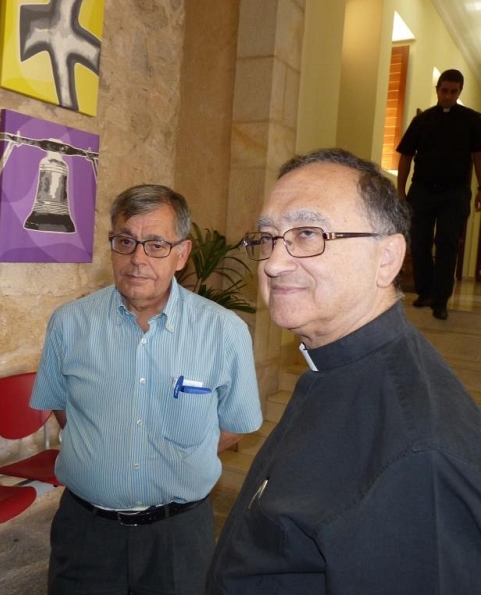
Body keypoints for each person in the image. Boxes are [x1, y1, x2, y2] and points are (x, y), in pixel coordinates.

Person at [206, 148, 481, 594]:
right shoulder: (332, 362)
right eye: (268, 237)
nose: (273, 263)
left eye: (308, 234)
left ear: (387, 258)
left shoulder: (418, 456)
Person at [31, 184, 263, 595]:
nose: (137, 259)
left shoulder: (224, 331)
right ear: (112, 247)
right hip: (86, 532)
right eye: (125, 242)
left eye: (156, 244)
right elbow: (63, 409)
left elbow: (234, 426)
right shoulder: (69, 323)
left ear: (182, 254)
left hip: (178, 537)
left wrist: (176, 458)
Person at [396, 68, 481, 320]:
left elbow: (478, 156)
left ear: (460, 91)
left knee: (447, 244)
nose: (448, 96)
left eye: (453, 92)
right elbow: (406, 156)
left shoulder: (473, 120)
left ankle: (441, 299)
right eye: (444, 91)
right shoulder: (422, 121)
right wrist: (401, 191)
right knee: (419, 242)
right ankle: (425, 292)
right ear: (437, 90)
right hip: (422, 191)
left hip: (455, 194)